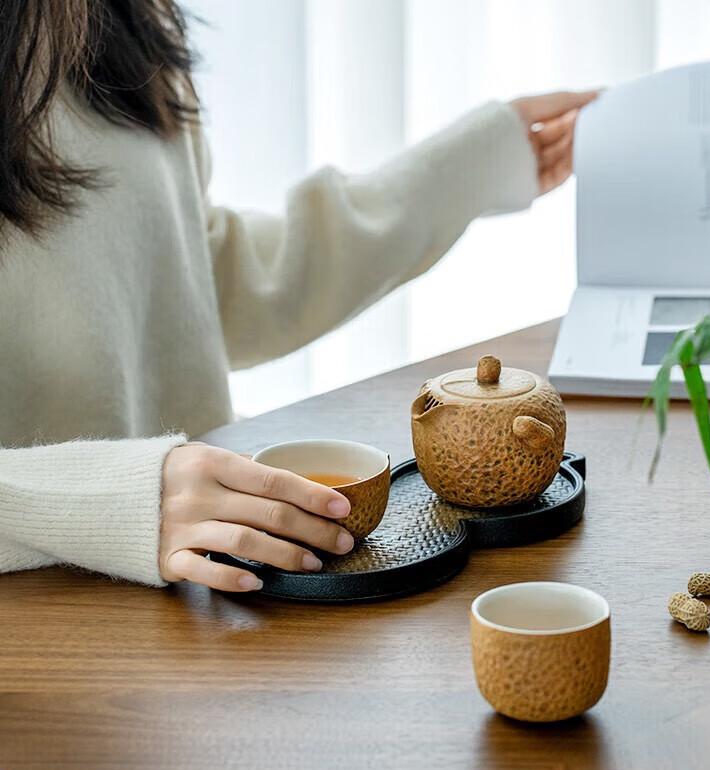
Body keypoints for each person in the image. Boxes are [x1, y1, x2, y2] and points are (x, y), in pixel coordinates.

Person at [0, 1, 595, 593]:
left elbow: (201, 290)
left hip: (212, 591)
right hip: (45, 614)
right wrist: (116, 499)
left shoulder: (126, 24)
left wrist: (461, 171)